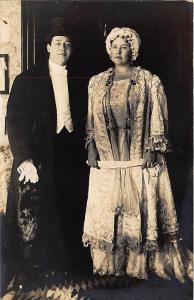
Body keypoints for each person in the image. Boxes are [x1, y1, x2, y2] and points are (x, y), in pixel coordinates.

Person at [82, 27, 192, 281]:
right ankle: (108, 268)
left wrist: (153, 148)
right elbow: (90, 121)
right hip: (108, 158)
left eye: (124, 46)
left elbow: (157, 117)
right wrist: (91, 147)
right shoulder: (96, 82)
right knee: (108, 209)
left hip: (137, 156)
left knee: (135, 210)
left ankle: (133, 268)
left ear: (133, 50)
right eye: (114, 46)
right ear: (108, 49)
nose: (118, 51)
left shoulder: (148, 80)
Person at [5, 18, 86, 288]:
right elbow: (13, 121)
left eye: (68, 45)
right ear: (48, 47)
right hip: (39, 156)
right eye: (58, 44)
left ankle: (68, 269)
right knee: (35, 215)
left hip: (70, 154)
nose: (63, 49)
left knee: (69, 209)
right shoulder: (28, 78)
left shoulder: (81, 79)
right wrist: (24, 158)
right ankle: (29, 273)